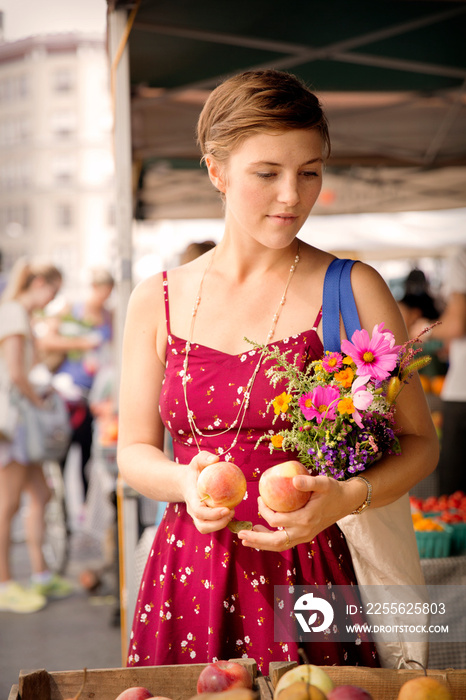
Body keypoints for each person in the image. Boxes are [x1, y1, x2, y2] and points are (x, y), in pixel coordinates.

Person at [117, 70, 438, 672]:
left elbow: (421, 445)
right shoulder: (156, 297)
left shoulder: (354, 287)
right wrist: (185, 483)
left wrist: (345, 496)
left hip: (314, 569)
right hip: (187, 567)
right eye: (267, 173)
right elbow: (134, 449)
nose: (292, 196)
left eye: (309, 172)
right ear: (217, 171)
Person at [0, 259, 73, 613]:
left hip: (19, 423)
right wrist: (40, 402)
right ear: (41, 283)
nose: (53, 298)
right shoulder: (13, 312)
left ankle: (41, 575)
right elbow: (16, 373)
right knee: (8, 503)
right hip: (12, 423)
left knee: (40, 493)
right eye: (54, 290)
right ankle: (5, 583)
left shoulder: (17, 312)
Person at [38, 267, 115, 502]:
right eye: (102, 291)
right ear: (93, 288)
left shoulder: (109, 315)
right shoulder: (71, 309)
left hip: (95, 394)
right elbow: (46, 341)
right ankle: (62, 509)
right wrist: (82, 343)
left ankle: (83, 508)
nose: (105, 297)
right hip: (68, 392)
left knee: (87, 456)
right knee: (62, 455)